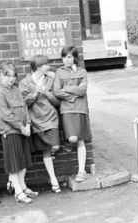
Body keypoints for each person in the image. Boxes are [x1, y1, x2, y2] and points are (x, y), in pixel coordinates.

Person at [0, 61, 35, 204]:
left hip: (22, 130)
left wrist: (28, 124)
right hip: (10, 131)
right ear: (1, 76)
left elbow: (24, 108)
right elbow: (5, 114)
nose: (11, 79)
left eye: (13, 75)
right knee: (14, 164)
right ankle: (18, 192)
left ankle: (22, 187)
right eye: (7, 75)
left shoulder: (15, 89)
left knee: (22, 163)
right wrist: (21, 127)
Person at [19, 55, 62, 193]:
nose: (48, 67)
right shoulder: (25, 82)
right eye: (45, 65)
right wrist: (35, 93)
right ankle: (54, 181)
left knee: (55, 145)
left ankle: (53, 175)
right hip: (36, 120)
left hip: (51, 118)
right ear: (38, 67)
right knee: (46, 151)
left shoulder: (51, 78)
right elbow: (23, 103)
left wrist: (47, 93)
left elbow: (58, 102)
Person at [55, 46, 93, 182]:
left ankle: (81, 171)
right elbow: (57, 92)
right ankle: (68, 143)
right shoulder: (59, 72)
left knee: (81, 140)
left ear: (75, 58)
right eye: (64, 57)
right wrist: (73, 93)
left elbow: (83, 90)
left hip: (80, 109)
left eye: (69, 57)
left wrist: (68, 89)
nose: (66, 60)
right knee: (72, 138)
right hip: (66, 110)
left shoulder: (82, 71)